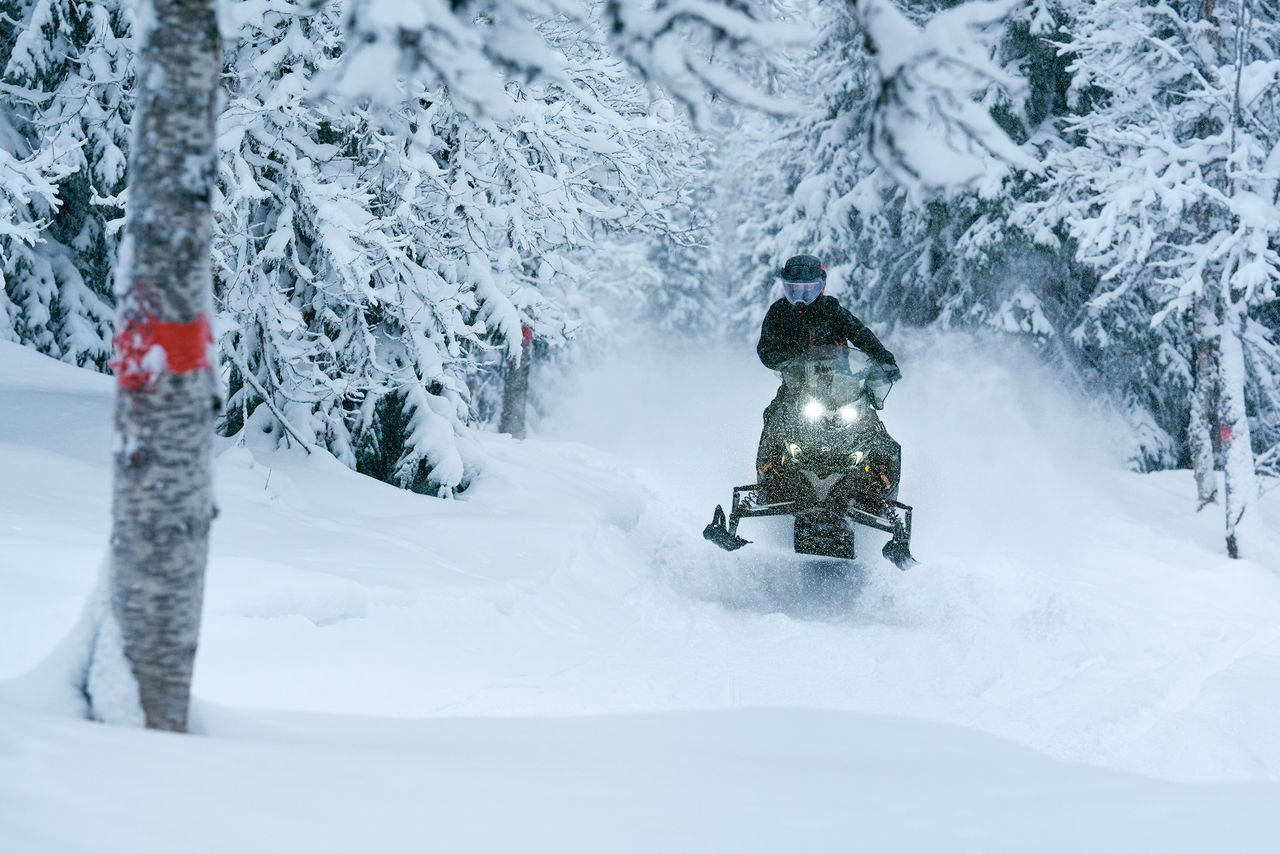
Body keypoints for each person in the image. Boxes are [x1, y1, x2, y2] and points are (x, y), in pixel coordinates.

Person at [755, 253, 900, 478]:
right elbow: (765, 349)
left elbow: (860, 334)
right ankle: (770, 473)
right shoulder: (779, 313)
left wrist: (884, 359)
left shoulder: (832, 310)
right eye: (794, 290)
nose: (800, 296)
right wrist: (790, 361)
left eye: (807, 290)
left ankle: (880, 481)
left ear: (821, 287)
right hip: (798, 386)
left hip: (842, 386)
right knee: (775, 416)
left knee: (872, 425)